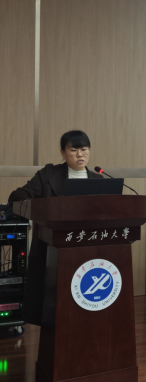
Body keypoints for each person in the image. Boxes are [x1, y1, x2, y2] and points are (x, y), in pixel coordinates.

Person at [8, 130, 104, 325]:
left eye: (84, 149)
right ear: (63, 153)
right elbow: (17, 196)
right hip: (53, 248)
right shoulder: (48, 175)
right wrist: (46, 211)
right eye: (74, 150)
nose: (80, 154)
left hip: (88, 249)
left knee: (83, 299)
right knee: (55, 304)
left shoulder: (99, 180)